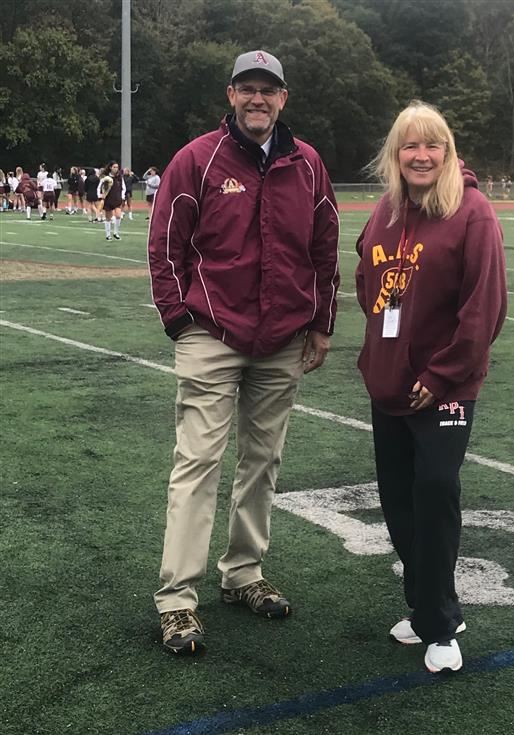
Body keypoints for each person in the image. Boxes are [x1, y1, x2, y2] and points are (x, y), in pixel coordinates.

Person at [148, 49, 339, 656]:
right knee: (197, 464)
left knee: (264, 461)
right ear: (230, 94)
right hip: (211, 333)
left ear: (285, 98)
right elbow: (165, 246)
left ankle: (243, 572)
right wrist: (179, 319)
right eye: (248, 88)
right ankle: (178, 599)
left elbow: (326, 250)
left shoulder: (307, 165)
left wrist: (321, 323)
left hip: (281, 338)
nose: (259, 99)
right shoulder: (196, 160)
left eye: (269, 90)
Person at [355, 100, 507, 674]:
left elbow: (484, 310)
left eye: (432, 144)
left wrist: (439, 374)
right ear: (395, 155)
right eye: (409, 146)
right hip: (390, 385)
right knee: (397, 502)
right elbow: (369, 282)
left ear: (447, 152)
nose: (421, 155)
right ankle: (426, 605)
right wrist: (383, 355)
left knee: (436, 492)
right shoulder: (385, 213)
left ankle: (441, 626)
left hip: (444, 388)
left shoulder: (473, 212)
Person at [98, 161, 125, 240]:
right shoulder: (106, 178)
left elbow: (123, 187)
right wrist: (101, 196)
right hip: (108, 199)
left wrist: (122, 197)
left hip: (117, 199)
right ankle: (108, 235)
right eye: (114, 167)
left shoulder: (119, 177)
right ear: (110, 168)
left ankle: (116, 233)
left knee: (118, 215)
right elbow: (100, 187)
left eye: (117, 167)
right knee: (108, 217)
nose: (116, 169)